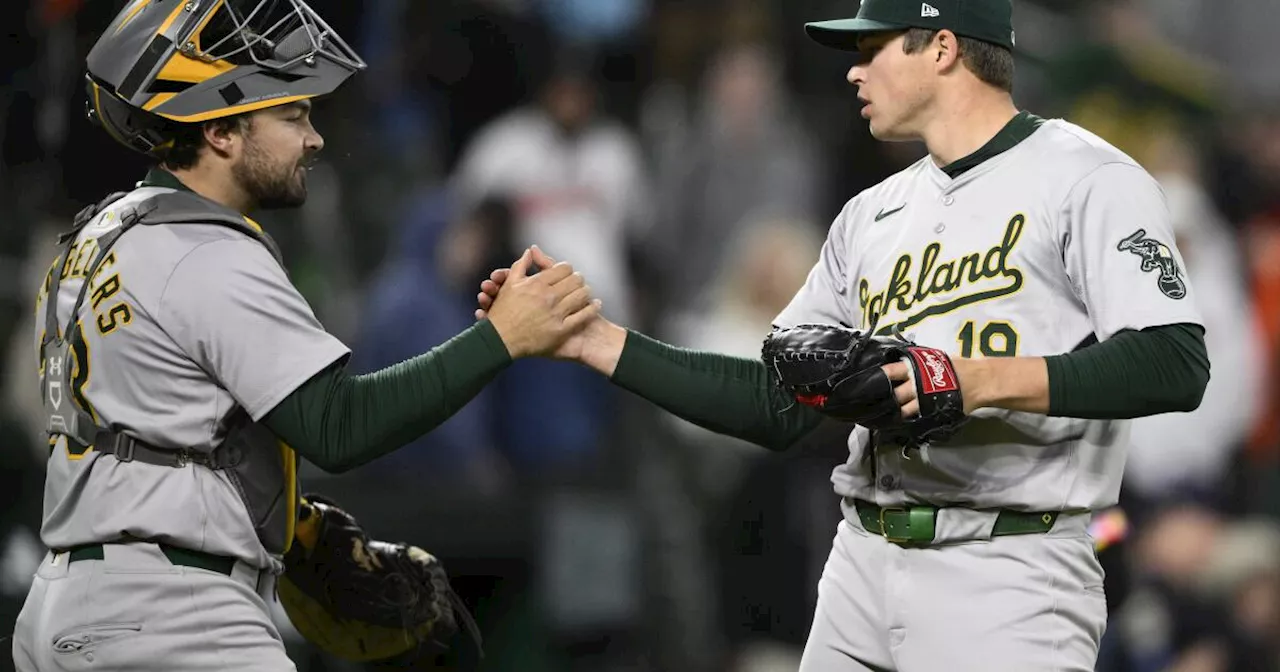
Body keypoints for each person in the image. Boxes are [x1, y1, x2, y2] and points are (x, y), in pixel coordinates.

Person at [476, 0, 1210, 669]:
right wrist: (596, 340)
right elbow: (777, 405)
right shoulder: (870, 215)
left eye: (875, 45)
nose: (855, 68)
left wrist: (978, 378)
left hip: (1010, 569)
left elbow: (1174, 362)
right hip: (861, 559)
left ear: (944, 47)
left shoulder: (1088, 178)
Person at [13, 1, 599, 670]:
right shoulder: (205, 250)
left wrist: (287, 523)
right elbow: (338, 426)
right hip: (171, 613)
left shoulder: (95, 237)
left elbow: (161, 429)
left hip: (68, 603)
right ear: (223, 132)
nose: (315, 138)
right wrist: (501, 337)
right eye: (292, 114)